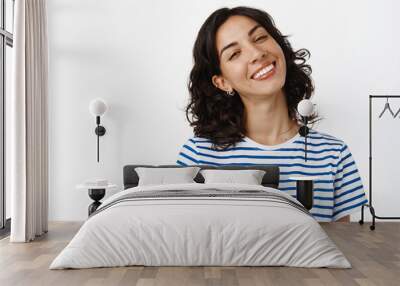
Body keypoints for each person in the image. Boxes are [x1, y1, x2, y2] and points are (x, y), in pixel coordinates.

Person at [176, 6, 367, 222]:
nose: (257, 53)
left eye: (259, 38)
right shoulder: (197, 155)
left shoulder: (334, 155)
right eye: (235, 53)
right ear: (222, 82)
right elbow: (185, 242)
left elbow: (343, 246)